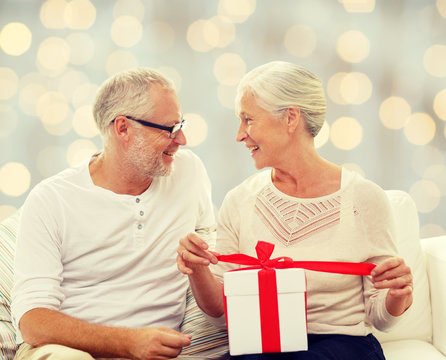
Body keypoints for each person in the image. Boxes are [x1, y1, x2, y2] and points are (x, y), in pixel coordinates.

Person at [177, 61, 413, 360]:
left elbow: (381, 317)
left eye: (248, 120)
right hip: (264, 345)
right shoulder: (240, 200)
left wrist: (397, 295)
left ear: (290, 118)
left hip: (342, 346)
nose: (240, 135)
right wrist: (197, 269)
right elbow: (221, 314)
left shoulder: (364, 198)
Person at [12, 68, 216, 360]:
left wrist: (199, 262)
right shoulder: (51, 199)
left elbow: (213, 258)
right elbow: (33, 321)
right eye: (169, 128)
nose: (181, 139)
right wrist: (128, 342)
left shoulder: (189, 172)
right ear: (123, 128)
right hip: (66, 351)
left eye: (180, 124)